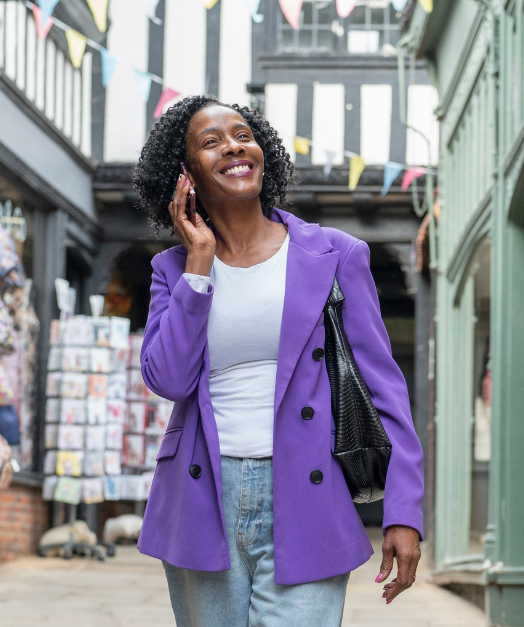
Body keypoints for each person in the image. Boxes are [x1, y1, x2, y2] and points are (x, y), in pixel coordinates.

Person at [132, 94, 424, 626]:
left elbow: (387, 391)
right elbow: (169, 379)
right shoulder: (172, 270)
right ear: (185, 174)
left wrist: (404, 512)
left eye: (243, 135)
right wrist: (198, 265)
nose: (234, 147)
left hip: (308, 491)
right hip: (201, 498)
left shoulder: (337, 255)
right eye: (211, 141)